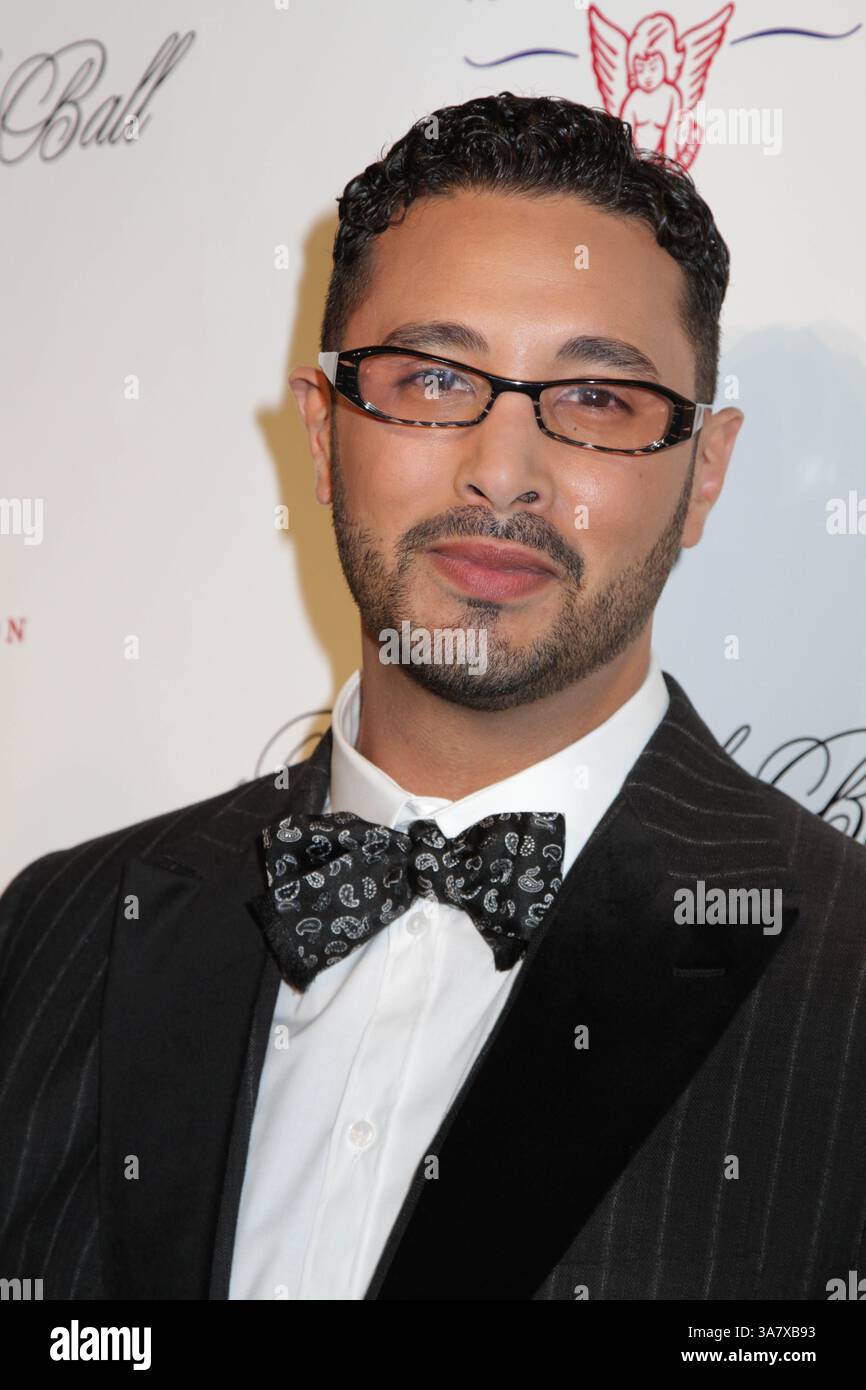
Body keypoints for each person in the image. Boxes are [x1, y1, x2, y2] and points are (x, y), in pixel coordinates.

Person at [2, 92, 865, 1303]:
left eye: (595, 399)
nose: (502, 473)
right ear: (322, 434)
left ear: (703, 474)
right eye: (431, 379)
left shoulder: (842, 978)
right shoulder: (59, 932)